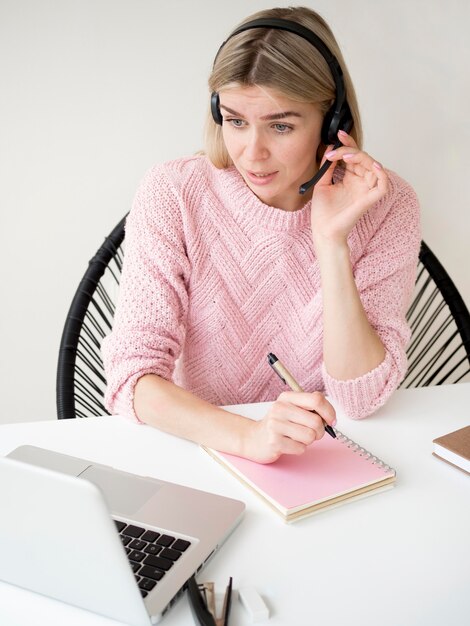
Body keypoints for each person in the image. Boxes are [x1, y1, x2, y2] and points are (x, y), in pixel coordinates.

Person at [102, 6, 421, 464]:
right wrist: (250, 437)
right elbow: (131, 377)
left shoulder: (388, 204)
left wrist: (330, 240)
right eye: (234, 121)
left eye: (281, 125)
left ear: (332, 123)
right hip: (205, 449)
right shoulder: (173, 191)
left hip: (325, 455)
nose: (253, 153)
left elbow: (362, 398)